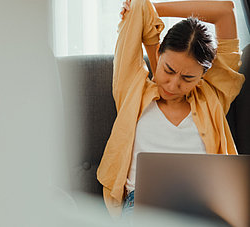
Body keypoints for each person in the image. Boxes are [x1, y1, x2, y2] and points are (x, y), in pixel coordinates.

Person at [97, 0, 245, 220]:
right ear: (159, 54)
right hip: (143, 208)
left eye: (187, 78)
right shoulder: (132, 90)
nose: (173, 85)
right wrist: (148, 9)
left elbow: (224, 11)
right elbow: (138, 6)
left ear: (202, 77)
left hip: (203, 208)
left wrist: (160, 9)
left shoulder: (212, 96)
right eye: (168, 70)